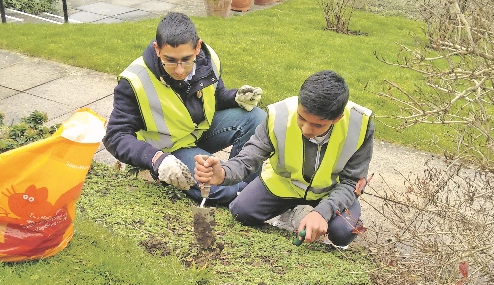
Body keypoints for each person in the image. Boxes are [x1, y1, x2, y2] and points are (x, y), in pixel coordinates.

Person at [194, 70, 374, 248]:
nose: (306, 130)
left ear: (337, 118)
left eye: (317, 125)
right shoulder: (279, 115)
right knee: (241, 212)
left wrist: (323, 212)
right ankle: (292, 212)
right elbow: (249, 157)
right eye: (301, 118)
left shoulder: (360, 124)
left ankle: (308, 214)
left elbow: (352, 182)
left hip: (330, 192)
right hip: (283, 185)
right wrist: (224, 172)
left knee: (344, 232)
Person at [103, 12, 266, 205]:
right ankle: (242, 192)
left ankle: (246, 187)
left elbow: (215, 97)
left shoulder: (209, 59)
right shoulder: (135, 81)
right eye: (170, 60)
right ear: (157, 49)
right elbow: (115, 136)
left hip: (199, 133)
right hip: (168, 151)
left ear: (198, 47)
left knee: (257, 118)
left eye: (186, 59)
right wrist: (156, 159)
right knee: (216, 187)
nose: (179, 70)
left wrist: (235, 97)